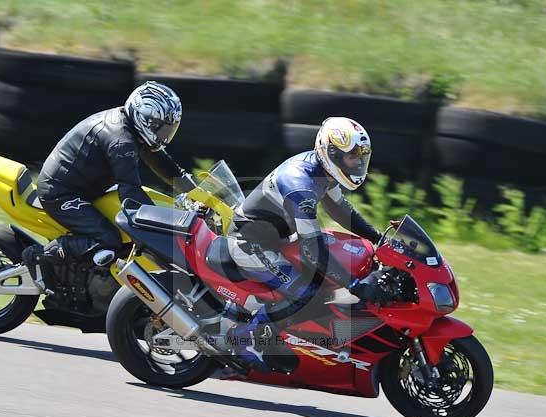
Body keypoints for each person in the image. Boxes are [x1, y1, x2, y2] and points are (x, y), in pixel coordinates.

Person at [227, 116, 390, 371]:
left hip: (278, 239)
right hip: (250, 243)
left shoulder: (322, 171)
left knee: (326, 279)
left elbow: (340, 210)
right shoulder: (299, 184)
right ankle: (244, 337)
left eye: (361, 157)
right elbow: (312, 250)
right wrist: (356, 286)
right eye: (352, 157)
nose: (358, 163)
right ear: (332, 153)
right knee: (306, 290)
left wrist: (378, 239)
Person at [25, 81, 196, 283]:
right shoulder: (120, 142)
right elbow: (131, 193)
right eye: (161, 128)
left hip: (86, 187)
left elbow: (162, 163)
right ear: (146, 119)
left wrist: (196, 192)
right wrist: (166, 227)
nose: (164, 135)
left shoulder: (132, 128)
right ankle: (41, 257)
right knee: (108, 239)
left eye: (169, 129)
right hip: (60, 192)